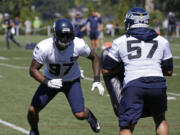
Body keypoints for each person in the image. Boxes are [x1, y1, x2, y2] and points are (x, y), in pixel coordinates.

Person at [101, 7, 173, 135]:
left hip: (134, 84)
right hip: (158, 83)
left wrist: (122, 67)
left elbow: (106, 70)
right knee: (160, 118)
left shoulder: (120, 41)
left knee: (126, 126)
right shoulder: (162, 41)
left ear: (129, 22)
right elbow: (169, 71)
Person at [27, 18, 104, 135]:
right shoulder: (44, 47)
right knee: (32, 110)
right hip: (51, 81)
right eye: (62, 35)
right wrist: (47, 82)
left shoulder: (78, 44)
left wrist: (97, 80)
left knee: (80, 114)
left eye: (68, 35)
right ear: (55, 34)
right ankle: (34, 130)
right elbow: (33, 70)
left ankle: (89, 116)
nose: (65, 39)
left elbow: (95, 57)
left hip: (71, 81)